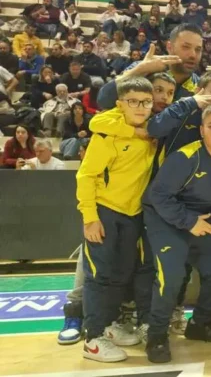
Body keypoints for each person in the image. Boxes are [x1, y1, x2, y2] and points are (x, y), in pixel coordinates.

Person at [142, 104, 211, 363]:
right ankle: (156, 336)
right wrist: (188, 221)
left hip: (202, 220)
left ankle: (199, 324)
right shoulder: (185, 157)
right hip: (165, 218)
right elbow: (158, 196)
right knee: (171, 276)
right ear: (202, 130)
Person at [76, 77, 156, 363]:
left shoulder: (152, 132)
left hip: (132, 214)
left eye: (146, 102)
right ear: (120, 104)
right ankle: (93, 338)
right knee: (99, 275)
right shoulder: (107, 132)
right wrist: (90, 217)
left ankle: (108, 325)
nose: (140, 107)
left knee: (121, 274)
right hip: (105, 211)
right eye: (133, 101)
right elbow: (86, 176)